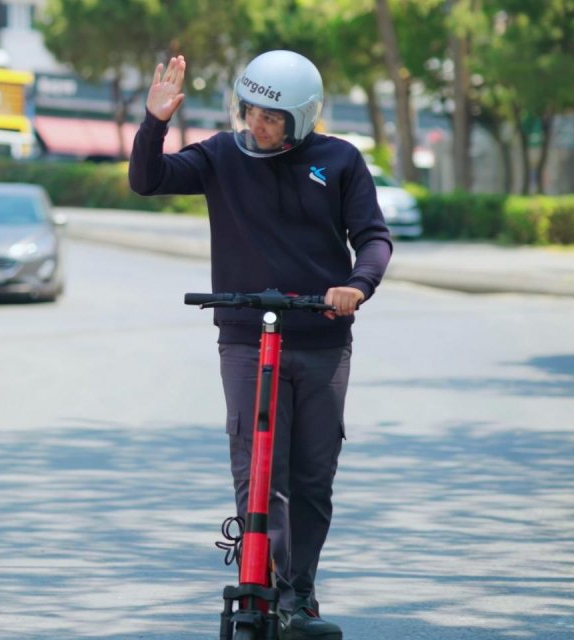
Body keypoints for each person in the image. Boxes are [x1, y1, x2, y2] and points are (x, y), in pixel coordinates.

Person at [129, 50, 392, 640]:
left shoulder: (340, 160)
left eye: (272, 116)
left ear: (301, 118)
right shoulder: (222, 155)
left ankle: (301, 591)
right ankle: (273, 587)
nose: (257, 123)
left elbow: (373, 238)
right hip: (248, 337)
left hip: (322, 338)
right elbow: (147, 181)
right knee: (259, 471)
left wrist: (355, 286)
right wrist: (155, 123)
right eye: (249, 110)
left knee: (312, 479)